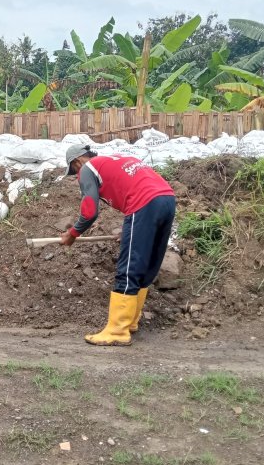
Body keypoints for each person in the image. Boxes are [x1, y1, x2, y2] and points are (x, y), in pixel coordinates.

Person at [59, 144, 176, 346]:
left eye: (74, 171)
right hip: (166, 199)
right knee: (147, 264)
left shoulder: (88, 168)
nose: (77, 175)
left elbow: (89, 212)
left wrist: (73, 233)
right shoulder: (116, 160)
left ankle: (117, 331)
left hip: (144, 202)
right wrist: (132, 229)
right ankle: (130, 322)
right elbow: (135, 189)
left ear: (77, 162)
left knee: (129, 266)